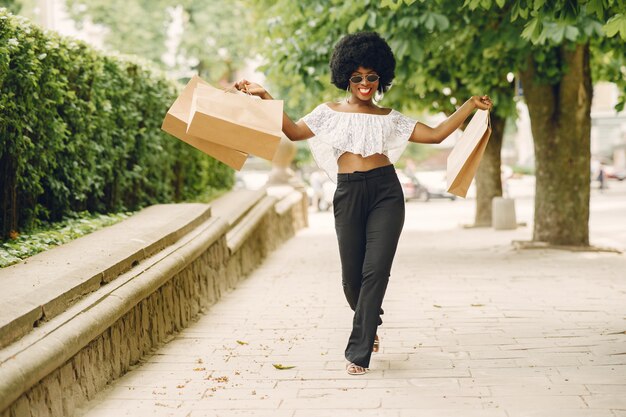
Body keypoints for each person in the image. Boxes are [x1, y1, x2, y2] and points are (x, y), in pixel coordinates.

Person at [235, 32, 492, 376]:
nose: (365, 83)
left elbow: (436, 134)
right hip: (349, 193)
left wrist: (469, 105)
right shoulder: (328, 112)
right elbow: (294, 132)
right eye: (357, 77)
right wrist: (264, 95)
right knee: (351, 280)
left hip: (386, 193)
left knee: (375, 272)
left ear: (381, 77)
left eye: (372, 77)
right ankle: (369, 318)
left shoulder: (390, 117)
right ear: (345, 78)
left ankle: (359, 350)